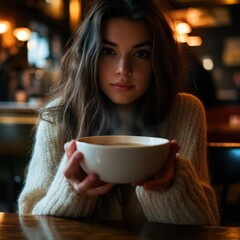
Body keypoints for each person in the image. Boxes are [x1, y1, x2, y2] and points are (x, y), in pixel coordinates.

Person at [18, 0, 219, 225]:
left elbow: (206, 224)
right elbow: (29, 222)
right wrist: (71, 192)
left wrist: (171, 186)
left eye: (141, 54)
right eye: (108, 51)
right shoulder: (58, 116)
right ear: (88, 56)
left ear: (158, 61)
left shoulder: (185, 112)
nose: (124, 69)